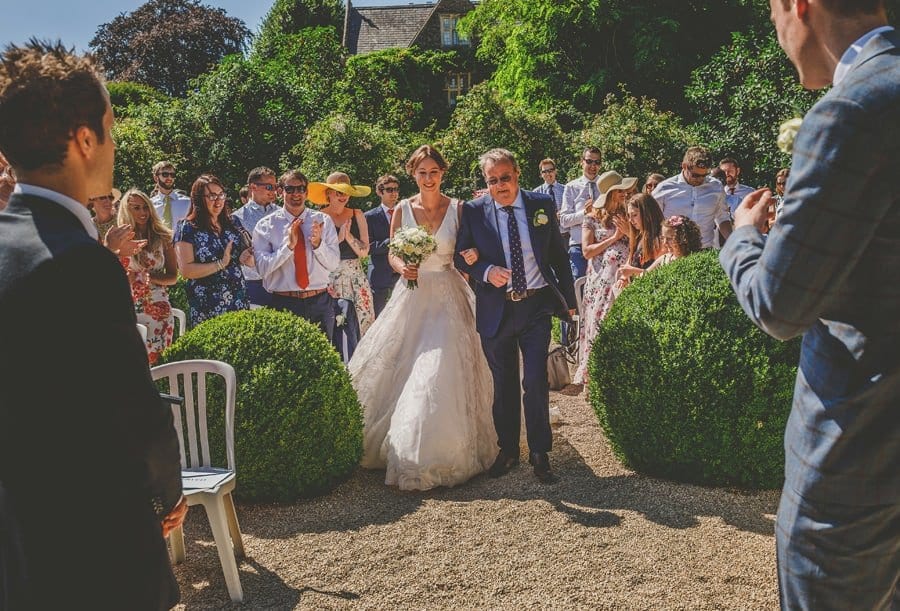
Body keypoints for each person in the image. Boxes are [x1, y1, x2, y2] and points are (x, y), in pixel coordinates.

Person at [719, 2, 899, 608]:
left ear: (802, 6)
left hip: (856, 461)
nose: (775, 27)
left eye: (772, 9)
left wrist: (743, 237)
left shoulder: (851, 112)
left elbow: (779, 304)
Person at [0, 40, 185, 609]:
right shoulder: (82, 261)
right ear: (85, 140)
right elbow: (131, 402)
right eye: (111, 126)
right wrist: (167, 492)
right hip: (90, 538)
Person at [349, 145, 495, 491]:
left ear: (442, 173)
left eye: (433, 172)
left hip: (448, 292)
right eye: (421, 173)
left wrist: (471, 257)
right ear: (412, 175)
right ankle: (403, 446)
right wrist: (406, 268)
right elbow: (392, 256)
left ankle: (439, 449)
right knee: (400, 362)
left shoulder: (459, 208)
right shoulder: (402, 209)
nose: (428, 179)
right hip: (412, 294)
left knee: (440, 364)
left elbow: (467, 252)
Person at [456, 148, 576, 484]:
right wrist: (485, 269)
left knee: (535, 380)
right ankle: (508, 450)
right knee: (504, 383)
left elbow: (557, 254)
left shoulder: (541, 205)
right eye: (492, 181)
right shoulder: (475, 211)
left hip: (536, 306)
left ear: (517, 174)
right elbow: (460, 256)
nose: (499, 186)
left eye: (504, 178)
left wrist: (569, 301)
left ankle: (540, 452)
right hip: (496, 308)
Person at [253, 169, 340, 335]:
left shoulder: (323, 221)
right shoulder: (265, 225)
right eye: (289, 189)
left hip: (319, 302)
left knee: (322, 359)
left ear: (306, 193)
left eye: (300, 189)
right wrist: (288, 248)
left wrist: (318, 244)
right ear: (280, 192)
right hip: (284, 303)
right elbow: (262, 269)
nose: (296, 194)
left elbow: (334, 264)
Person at [572, 171, 633, 386]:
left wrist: (629, 234)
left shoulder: (628, 215)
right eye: (621, 191)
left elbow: (637, 247)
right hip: (600, 282)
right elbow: (587, 251)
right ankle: (595, 376)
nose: (625, 194)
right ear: (611, 194)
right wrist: (615, 237)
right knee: (600, 324)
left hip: (624, 278)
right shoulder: (591, 219)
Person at [308, 172, 375, 362]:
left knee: (363, 323)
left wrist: (348, 238)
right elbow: (316, 251)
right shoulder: (319, 216)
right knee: (334, 326)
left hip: (355, 276)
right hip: (330, 278)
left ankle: (362, 365)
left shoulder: (357, 214)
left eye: (346, 192)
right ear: (328, 193)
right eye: (338, 192)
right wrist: (337, 240)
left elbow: (364, 251)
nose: (343, 196)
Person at [174, 173, 253, 326]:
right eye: (211, 196)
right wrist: (221, 264)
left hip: (238, 299)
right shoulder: (187, 228)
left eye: (221, 195)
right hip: (207, 303)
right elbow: (186, 270)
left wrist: (247, 255)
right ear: (198, 199)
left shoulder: (233, 222)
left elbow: (244, 258)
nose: (218, 201)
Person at [118, 188, 178, 364]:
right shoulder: (121, 239)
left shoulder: (163, 237)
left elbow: (173, 277)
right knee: (132, 365)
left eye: (145, 207)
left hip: (158, 308)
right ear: (127, 210)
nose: (143, 212)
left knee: (160, 366)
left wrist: (150, 276)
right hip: (128, 308)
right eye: (136, 208)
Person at [652, 146, 732, 249]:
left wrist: (733, 242)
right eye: (695, 175)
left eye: (705, 175)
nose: (700, 179)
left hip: (705, 249)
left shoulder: (716, 187)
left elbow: (722, 218)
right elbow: (651, 221)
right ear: (684, 166)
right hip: (672, 252)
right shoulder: (664, 189)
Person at [232, 166, 280, 308]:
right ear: (253, 187)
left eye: (276, 187)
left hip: (282, 283)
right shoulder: (237, 217)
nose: (274, 191)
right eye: (269, 187)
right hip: (253, 284)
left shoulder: (283, 213)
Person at [560, 147, 603, 279]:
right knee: (579, 285)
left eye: (597, 162)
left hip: (602, 244)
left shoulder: (606, 185)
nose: (593, 166)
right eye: (589, 161)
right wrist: (585, 213)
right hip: (578, 246)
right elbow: (564, 220)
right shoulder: (571, 187)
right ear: (582, 162)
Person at [364, 174, 402, 316]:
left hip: (401, 273)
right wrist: (391, 242)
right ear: (380, 192)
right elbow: (368, 246)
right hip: (379, 274)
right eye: (389, 190)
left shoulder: (405, 213)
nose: (394, 193)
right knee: (378, 316)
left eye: (396, 189)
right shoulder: (370, 216)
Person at [616, 193, 665, 284]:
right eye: (629, 216)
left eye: (634, 215)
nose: (630, 221)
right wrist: (623, 278)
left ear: (648, 214)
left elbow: (661, 273)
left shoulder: (661, 239)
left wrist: (633, 271)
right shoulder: (639, 236)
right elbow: (630, 262)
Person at [150, 160, 192, 228]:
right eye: (165, 174)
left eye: (172, 175)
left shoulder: (188, 202)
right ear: (156, 178)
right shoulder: (150, 205)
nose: (169, 178)